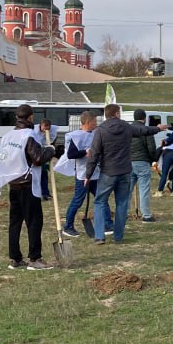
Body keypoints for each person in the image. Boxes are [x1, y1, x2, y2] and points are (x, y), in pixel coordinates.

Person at [0, 104, 55, 269]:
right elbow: (37, 159)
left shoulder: (8, 136)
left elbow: (4, 156)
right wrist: (50, 150)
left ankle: (15, 258)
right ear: (30, 117)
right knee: (34, 222)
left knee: (15, 222)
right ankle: (35, 259)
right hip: (28, 184)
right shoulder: (29, 136)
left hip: (13, 183)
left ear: (17, 117)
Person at [84, 103, 159, 243]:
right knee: (122, 203)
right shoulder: (126, 127)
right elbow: (143, 130)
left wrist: (88, 175)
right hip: (125, 171)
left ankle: (99, 236)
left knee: (100, 201)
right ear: (117, 113)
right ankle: (118, 236)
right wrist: (158, 128)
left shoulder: (100, 131)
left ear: (106, 115)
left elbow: (94, 154)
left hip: (108, 172)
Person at [57, 110, 100, 240]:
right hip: (82, 174)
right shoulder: (76, 136)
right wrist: (85, 152)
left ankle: (108, 224)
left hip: (95, 173)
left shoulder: (96, 134)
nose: (96, 124)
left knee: (101, 198)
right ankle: (68, 226)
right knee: (78, 200)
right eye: (94, 121)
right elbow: (71, 154)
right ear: (87, 122)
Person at [128, 109, 157, 223]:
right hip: (142, 162)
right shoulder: (146, 130)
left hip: (128, 163)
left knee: (127, 190)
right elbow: (151, 148)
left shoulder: (127, 129)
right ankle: (146, 215)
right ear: (144, 118)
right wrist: (152, 159)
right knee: (144, 189)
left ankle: (123, 213)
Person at [153, 127, 173, 197]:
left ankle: (160, 191)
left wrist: (154, 161)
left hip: (168, 156)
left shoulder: (164, 144)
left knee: (164, 174)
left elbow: (158, 152)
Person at [37, 119, 53, 201]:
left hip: (43, 155)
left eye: (48, 128)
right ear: (41, 125)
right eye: (45, 128)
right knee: (37, 177)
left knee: (44, 175)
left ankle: (45, 193)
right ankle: (39, 194)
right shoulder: (34, 131)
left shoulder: (51, 131)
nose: (46, 130)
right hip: (36, 155)